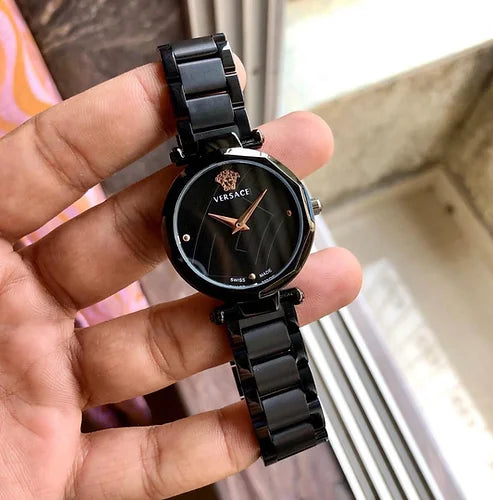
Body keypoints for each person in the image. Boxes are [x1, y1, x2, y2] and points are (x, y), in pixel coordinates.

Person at [0, 57, 362, 498]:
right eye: (236, 223)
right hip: (245, 285)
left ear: (304, 208)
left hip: (262, 279)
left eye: (245, 218)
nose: (240, 226)